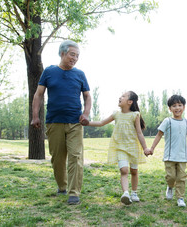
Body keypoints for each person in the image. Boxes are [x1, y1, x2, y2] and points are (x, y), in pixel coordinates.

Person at [31, 40, 91, 205]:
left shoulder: (80, 74)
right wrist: (35, 116)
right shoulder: (49, 72)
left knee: (76, 157)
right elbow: (38, 95)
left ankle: (74, 193)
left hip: (75, 122)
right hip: (54, 122)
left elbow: (87, 96)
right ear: (62, 53)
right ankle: (62, 186)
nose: (75, 58)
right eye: (72, 54)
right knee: (57, 158)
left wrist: (86, 113)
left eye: (77, 56)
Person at [81, 91, 150, 205]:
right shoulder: (116, 114)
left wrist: (145, 148)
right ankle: (126, 193)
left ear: (130, 102)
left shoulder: (135, 115)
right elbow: (102, 122)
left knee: (134, 171)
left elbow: (139, 133)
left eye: (123, 96)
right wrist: (87, 123)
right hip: (120, 147)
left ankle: (134, 192)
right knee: (124, 170)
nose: (120, 97)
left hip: (133, 147)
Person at [148, 95, 187, 207]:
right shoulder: (167, 121)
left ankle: (180, 198)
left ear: (184, 107)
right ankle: (170, 187)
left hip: (182, 157)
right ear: (170, 109)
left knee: (181, 178)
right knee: (171, 177)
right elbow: (159, 135)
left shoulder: (186, 122)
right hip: (169, 156)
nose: (177, 108)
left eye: (180, 105)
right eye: (174, 106)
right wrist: (152, 148)